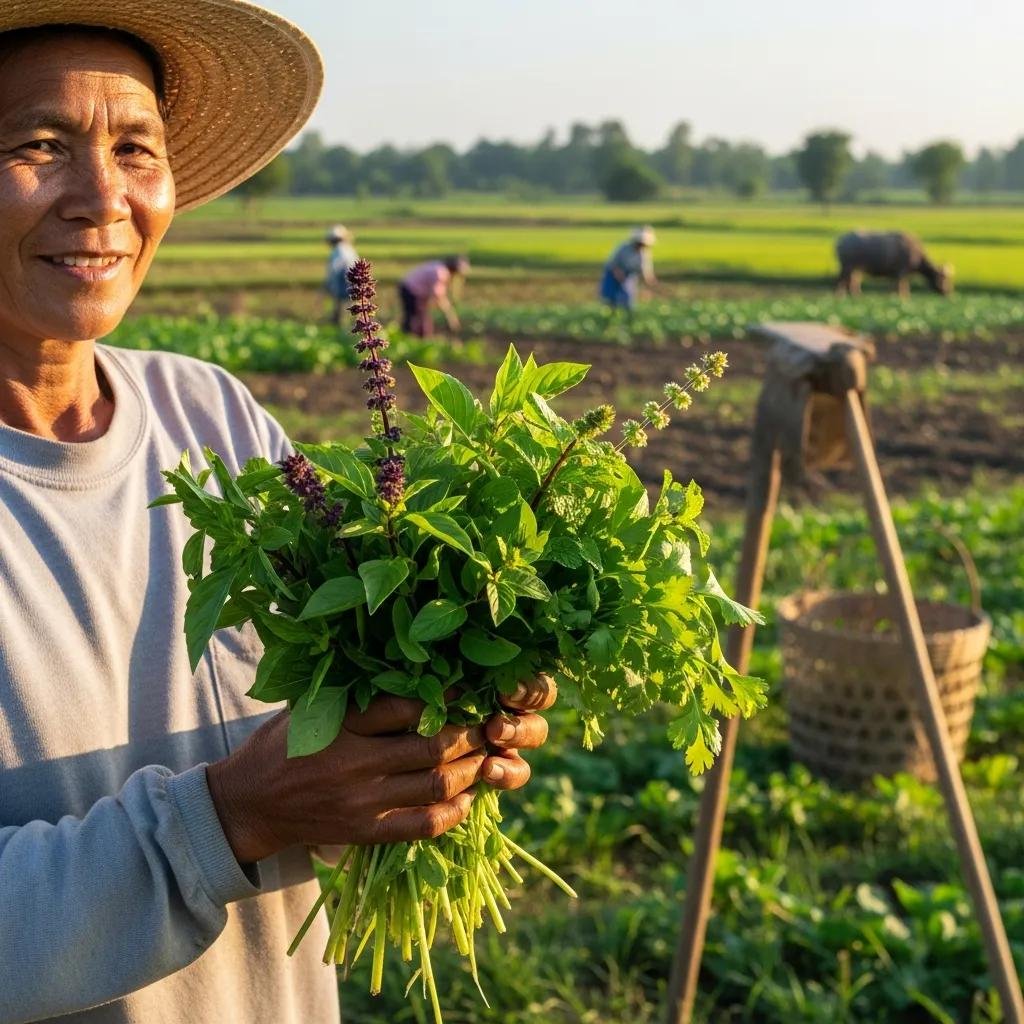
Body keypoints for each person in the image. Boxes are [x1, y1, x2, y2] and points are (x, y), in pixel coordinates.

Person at [0, 10, 554, 1024]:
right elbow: (247, 805)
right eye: (38, 146)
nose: (103, 199)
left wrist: (421, 742)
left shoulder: (209, 414)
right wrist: (222, 820)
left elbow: (305, 737)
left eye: (135, 149)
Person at [398, 254, 470, 337]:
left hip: (411, 288)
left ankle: (409, 336)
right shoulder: (440, 273)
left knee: (417, 316)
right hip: (411, 290)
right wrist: (450, 316)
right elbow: (439, 296)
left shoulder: (439, 266)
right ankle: (412, 337)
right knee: (416, 317)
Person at [599, 225, 658, 314]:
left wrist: (650, 281)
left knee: (628, 296)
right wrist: (619, 274)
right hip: (613, 272)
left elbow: (646, 269)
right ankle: (611, 312)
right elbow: (612, 263)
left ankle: (628, 314)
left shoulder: (645, 253)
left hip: (629, 274)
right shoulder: (623, 248)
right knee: (610, 296)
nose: (641, 246)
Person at [323, 223, 359, 325]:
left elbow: (334, 270)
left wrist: (328, 286)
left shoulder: (338, 250)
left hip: (344, 288)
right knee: (355, 314)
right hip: (355, 287)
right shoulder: (349, 249)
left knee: (342, 315)